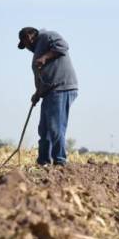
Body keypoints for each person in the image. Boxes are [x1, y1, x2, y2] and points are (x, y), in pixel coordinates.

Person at [17, 27, 79, 165]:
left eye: (25, 44)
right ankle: (43, 161)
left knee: (55, 127)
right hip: (50, 91)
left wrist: (44, 57)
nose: (27, 48)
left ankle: (60, 161)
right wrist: (37, 93)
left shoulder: (47, 36)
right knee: (44, 129)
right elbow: (42, 77)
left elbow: (63, 46)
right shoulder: (38, 48)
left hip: (61, 87)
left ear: (29, 37)